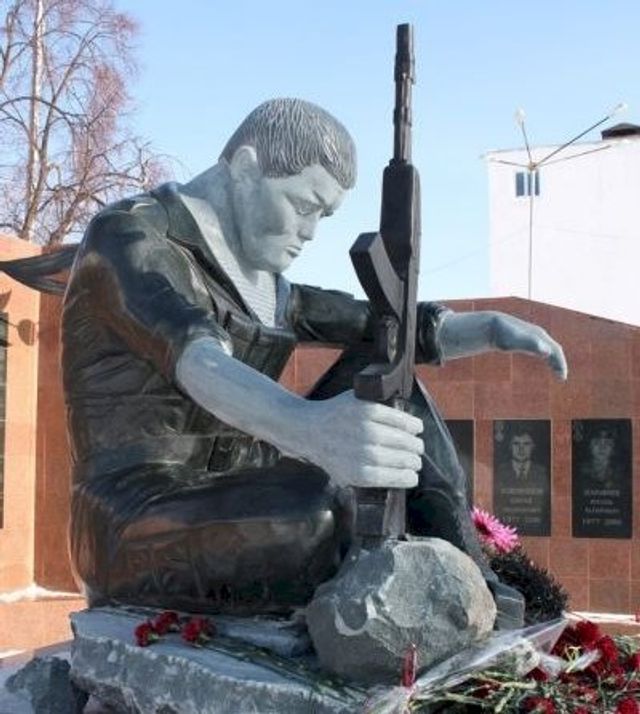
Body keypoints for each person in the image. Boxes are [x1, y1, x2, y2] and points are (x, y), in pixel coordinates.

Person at [2, 99, 567, 626]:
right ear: (246, 169)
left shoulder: (268, 283)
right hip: (137, 522)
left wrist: (485, 328)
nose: (311, 232)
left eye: (323, 215)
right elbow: (197, 357)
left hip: (241, 494)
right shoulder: (130, 237)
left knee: (387, 371)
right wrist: (309, 428)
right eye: (303, 205)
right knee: (318, 513)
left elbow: (378, 324)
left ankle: (475, 581)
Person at [494, 425, 550, 536]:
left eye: (526, 444)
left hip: (537, 529)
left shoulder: (542, 472)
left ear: (533, 446)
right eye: (516, 444)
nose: (521, 449)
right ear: (510, 447)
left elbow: (546, 503)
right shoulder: (500, 472)